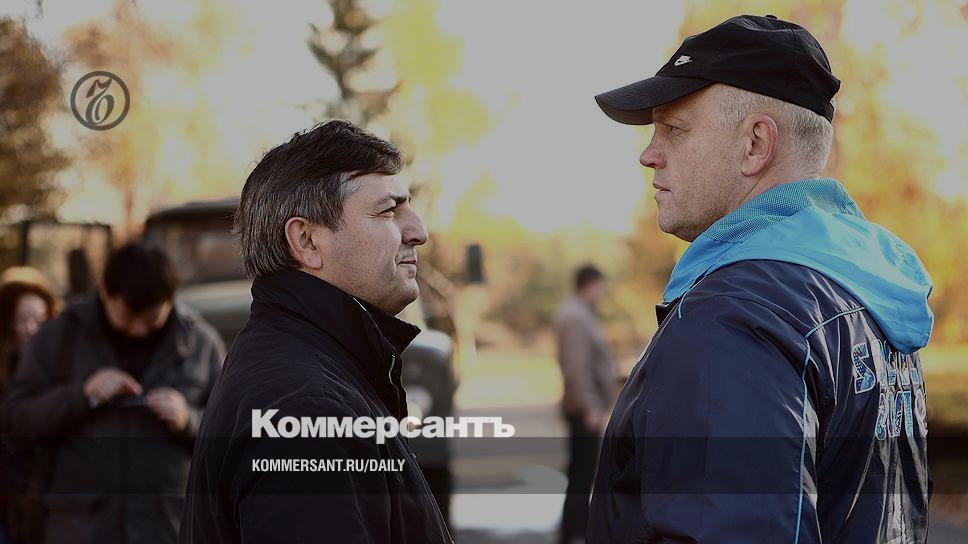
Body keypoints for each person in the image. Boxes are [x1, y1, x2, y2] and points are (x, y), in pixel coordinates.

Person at [587, 15, 932, 543]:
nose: (648, 154)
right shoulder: (865, 294)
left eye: (673, 129)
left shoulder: (734, 317)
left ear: (755, 144)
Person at [179, 120, 452, 543]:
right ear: (306, 241)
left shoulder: (305, 370)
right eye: (388, 211)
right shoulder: (307, 409)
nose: (418, 232)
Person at [3, 243, 225, 544]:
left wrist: (189, 419)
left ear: (171, 299)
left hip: (170, 528)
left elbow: (233, 437)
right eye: (127, 318)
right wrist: (82, 395)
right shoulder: (58, 337)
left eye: (151, 320)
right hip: (78, 529)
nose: (138, 331)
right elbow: (16, 419)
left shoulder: (201, 343)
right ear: (104, 290)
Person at [553, 264, 616, 544]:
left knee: (582, 471)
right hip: (583, 409)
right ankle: (575, 532)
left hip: (585, 406)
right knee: (582, 472)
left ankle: (576, 529)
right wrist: (589, 406)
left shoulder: (580, 313)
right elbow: (576, 367)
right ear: (591, 284)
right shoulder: (576, 317)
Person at [0, 269, 59, 543]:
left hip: (45, 501)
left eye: (40, 319)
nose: (31, 328)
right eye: (22, 319)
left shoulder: (59, 369)